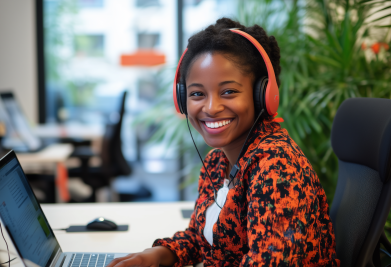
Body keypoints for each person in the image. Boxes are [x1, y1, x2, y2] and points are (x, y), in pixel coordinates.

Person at [108, 18, 340, 267]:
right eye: (197, 94)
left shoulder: (277, 167)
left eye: (228, 91)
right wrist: (153, 257)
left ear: (262, 95)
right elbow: (203, 240)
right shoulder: (218, 160)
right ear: (182, 99)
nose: (211, 108)